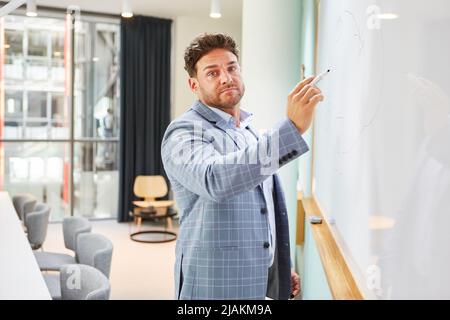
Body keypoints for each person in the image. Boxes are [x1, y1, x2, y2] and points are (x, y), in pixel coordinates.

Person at [161, 33, 324, 300]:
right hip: (211, 285)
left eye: (231, 67)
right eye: (212, 73)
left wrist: (276, 269)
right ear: (194, 85)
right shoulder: (183, 132)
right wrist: (291, 128)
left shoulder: (248, 131)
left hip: (255, 278)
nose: (226, 77)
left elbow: (263, 208)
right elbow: (216, 180)